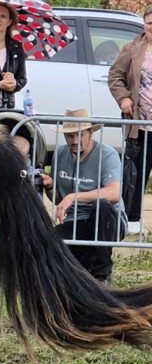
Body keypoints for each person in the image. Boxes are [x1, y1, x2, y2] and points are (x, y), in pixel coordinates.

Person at [40, 109, 125, 283]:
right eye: (70, 136)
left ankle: (103, 275)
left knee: (102, 206)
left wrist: (73, 197)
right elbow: (59, 199)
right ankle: (83, 266)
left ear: (91, 133)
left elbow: (113, 193)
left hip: (108, 221)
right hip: (75, 220)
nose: (75, 141)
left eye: (80, 135)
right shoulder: (60, 154)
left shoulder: (107, 154)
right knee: (50, 248)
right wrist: (49, 186)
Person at [108, 4, 152, 234]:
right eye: (149, 22)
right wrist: (123, 98)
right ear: (144, 24)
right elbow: (115, 75)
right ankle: (133, 219)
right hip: (140, 123)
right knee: (138, 171)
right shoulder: (132, 48)